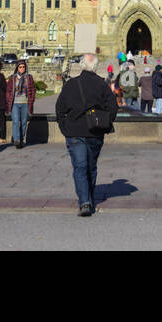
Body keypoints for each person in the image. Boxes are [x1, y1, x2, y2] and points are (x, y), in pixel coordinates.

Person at [54, 52, 117, 216]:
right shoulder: (102, 85)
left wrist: (64, 127)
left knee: (80, 167)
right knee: (91, 167)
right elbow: (113, 107)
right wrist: (106, 123)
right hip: (95, 132)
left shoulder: (71, 84)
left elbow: (60, 108)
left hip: (74, 132)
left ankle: (85, 201)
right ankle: (87, 200)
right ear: (96, 66)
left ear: (81, 65)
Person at [6, 60, 36, 149]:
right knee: (15, 121)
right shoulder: (12, 78)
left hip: (25, 103)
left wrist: (32, 99)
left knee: (23, 122)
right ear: (17, 68)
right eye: (20, 67)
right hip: (15, 103)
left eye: (23, 67)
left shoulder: (29, 78)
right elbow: (8, 91)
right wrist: (8, 101)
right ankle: (16, 140)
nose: (22, 68)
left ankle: (22, 139)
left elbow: (33, 90)